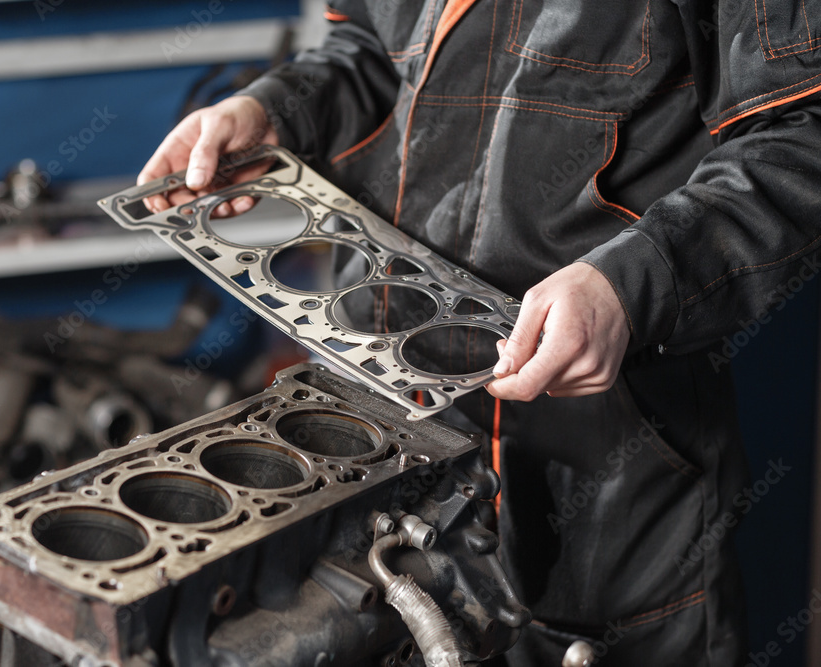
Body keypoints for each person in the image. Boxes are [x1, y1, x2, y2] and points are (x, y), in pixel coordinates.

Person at [139, 2, 821, 663]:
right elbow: (372, 53)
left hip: (605, 474)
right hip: (373, 436)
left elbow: (800, 138)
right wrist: (276, 108)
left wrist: (636, 283)